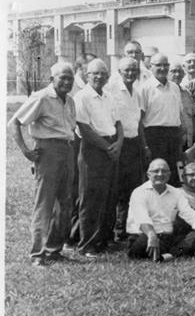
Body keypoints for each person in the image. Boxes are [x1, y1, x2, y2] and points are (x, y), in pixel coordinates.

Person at [8, 62, 78, 267]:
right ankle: (37, 253)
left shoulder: (70, 101)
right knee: (45, 203)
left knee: (65, 203)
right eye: (62, 78)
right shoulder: (41, 97)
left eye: (70, 78)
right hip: (48, 152)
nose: (66, 82)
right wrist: (26, 151)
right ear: (51, 79)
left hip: (67, 150)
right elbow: (14, 122)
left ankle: (54, 249)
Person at [73, 59, 125, 257]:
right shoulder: (82, 97)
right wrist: (108, 148)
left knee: (109, 195)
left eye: (103, 73)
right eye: (95, 73)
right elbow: (84, 129)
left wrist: (119, 144)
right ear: (87, 75)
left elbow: (118, 123)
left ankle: (104, 240)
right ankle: (88, 244)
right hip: (93, 150)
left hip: (112, 147)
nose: (99, 77)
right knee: (91, 198)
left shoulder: (109, 96)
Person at [126, 159, 195, 261]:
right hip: (144, 236)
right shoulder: (139, 192)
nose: (160, 174)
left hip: (168, 238)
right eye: (156, 171)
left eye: (164, 171)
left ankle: (166, 255)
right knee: (143, 242)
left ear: (169, 174)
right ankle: (175, 253)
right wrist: (151, 235)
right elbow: (142, 219)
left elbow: (190, 214)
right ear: (148, 174)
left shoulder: (176, 193)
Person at [108, 57, 150, 241]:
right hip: (118, 144)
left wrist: (144, 145)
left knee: (132, 188)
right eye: (127, 70)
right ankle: (113, 230)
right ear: (119, 72)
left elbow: (139, 122)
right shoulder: (111, 90)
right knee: (115, 188)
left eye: (134, 70)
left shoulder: (138, 92)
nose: (131, 73)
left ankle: (124, 229)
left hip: (134, 145)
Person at [139, 54, 185, 186]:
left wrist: (180, 137)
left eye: (165, 65)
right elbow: (140, 121)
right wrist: (145, 146)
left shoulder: (175, 88)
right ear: (151, 67)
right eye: (158, 65)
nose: (162, 68)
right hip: (154, 137)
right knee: (156, 174)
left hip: (174, 136)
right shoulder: (145, 88)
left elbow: (178, 115)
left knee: (175, 174)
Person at [169, 59, 195, 149]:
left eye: (179, 72)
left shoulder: (186, 92)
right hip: (173, 142)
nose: (177, 74)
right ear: (167, 73)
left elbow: (193, 117)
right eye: (173, 71)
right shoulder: (164, 93)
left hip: (188, 141)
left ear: (183, 74)